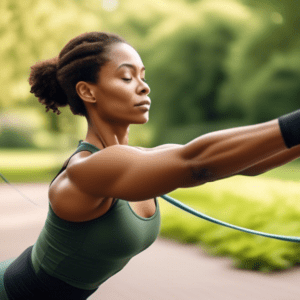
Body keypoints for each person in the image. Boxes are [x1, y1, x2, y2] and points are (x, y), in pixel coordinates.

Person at [1, 31, 300, 300]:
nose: (144, 87)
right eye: (127, 77)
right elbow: (198, 163)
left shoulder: (139, 159)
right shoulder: (86, 170)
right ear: (87, 92)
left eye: (143, 76)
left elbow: (244, 164)